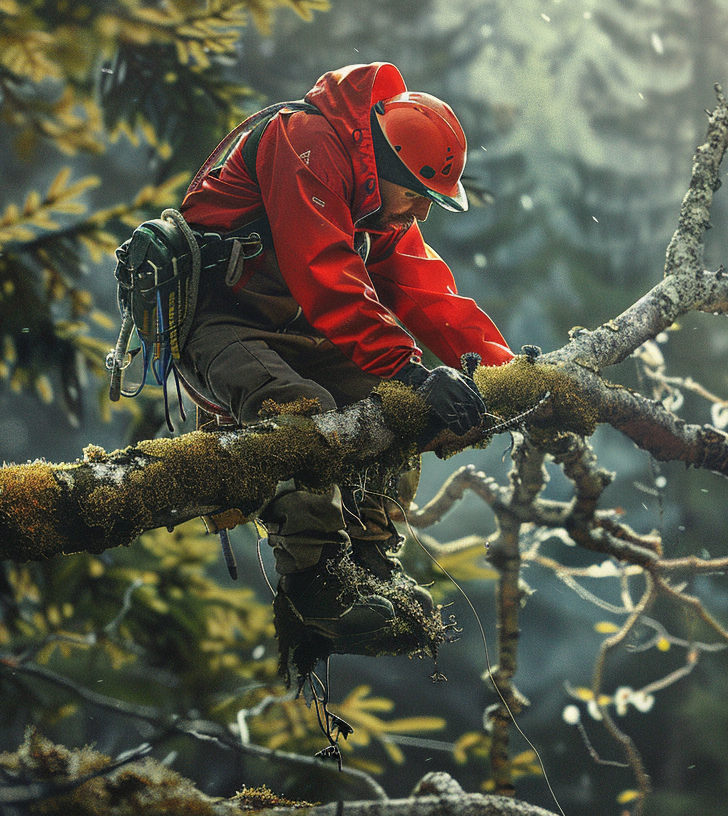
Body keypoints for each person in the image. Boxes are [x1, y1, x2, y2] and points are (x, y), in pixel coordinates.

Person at [174, 62, 513, 675]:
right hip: (218, 322)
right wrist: (412, 367)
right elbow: (326, 274)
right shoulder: (303, 142)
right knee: (302, 412)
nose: (420, 213)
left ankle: (372, 562)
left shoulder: (375, 196)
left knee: (395, 406)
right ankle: (315, 584)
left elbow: (423, 288)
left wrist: (502, 375)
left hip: (294, 326)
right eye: (416, 193)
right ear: (384, 161)